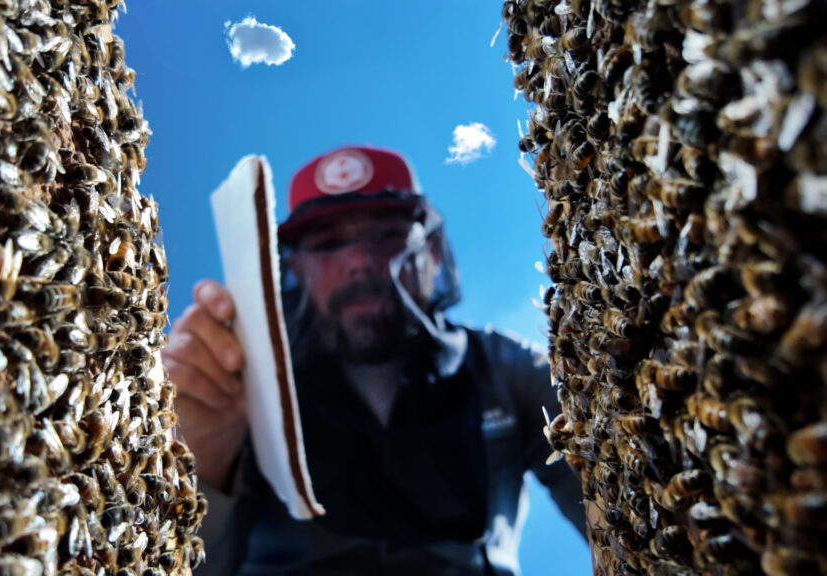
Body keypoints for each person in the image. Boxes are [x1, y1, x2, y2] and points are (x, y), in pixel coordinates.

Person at [163, 145, 586, 576]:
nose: (359, 262)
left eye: (385, 234)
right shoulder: (242, 390)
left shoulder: (510, 370)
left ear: (432, 252)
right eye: (328, 243)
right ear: (296, 268)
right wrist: (199, 464)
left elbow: (629, 498)